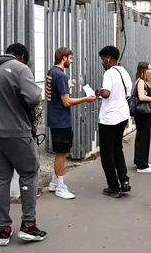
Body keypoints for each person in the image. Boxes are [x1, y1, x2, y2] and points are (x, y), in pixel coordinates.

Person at [0, 43, 47, 246]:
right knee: (29, 173)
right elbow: (33, 99)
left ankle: (3, 229)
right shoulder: (21, 68)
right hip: (16, 132)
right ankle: (28, 226)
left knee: (1, 180)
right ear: (22, 56)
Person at [46, 47, 96, 199]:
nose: (72, 61)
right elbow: (66, 102)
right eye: (71, 58)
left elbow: (55, 92)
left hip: (55, 118)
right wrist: (86, 99)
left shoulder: (52, 72)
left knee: (62, 151)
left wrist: (67, 86)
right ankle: (60, 187)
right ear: (64, 58)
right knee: (62, 153)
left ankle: (54, 182)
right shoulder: (60, 76)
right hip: (61, 120)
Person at [95, 46, 133, 198]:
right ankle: (124, 181)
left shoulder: (109, 73)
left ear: (109, 58)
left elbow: (106, 93)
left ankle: (113, 186)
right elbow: (128, 92)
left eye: (103, 59)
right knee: (118, 148)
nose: (102, 62)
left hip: (109, 118)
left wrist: (98, 91)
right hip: (123, 115)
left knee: (107, 153)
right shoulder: (124, 71)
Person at [132, 62, 151, 174]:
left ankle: (141, 161)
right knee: (143, 137)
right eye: (149, 69)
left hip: (143, 113)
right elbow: (141, 97)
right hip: (142, 113)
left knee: (143, 136)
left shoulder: (142, 81)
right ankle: (141, 164)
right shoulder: (140, 81)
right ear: (143, 70)